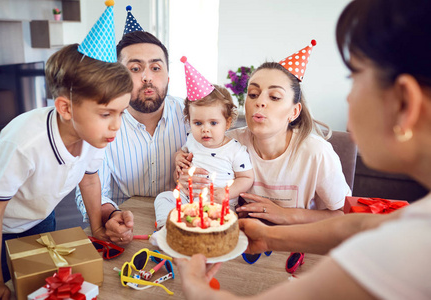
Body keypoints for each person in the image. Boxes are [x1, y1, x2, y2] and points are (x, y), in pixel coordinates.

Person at [174, 0, 431, 299]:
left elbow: (348, 219)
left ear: (404, 103)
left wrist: (193, 284)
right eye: (254, 94)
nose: (347, 99)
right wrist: (270, 236)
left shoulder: (415, 247)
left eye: (354, 76)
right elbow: (361, 224)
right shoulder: (416, 222)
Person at [0, 20, 133, 300]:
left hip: (41, 217)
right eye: (106, 114)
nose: (116, 125)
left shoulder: (95, 135)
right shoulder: (23, 144)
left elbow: (89, 180)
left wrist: (98, 228)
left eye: (121, 112)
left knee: (40, 287)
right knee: (6, 288)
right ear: (65, 107)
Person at [177, 44, 350, 227]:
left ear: (294, 111)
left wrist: (286, 215)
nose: (260, 102)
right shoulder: (229, 143)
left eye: (274, 97)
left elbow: (346, 215)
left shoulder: (317, 153)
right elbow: (200, 179)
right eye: (253, 94)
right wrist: (183, 173)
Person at [75, 30, 189, 244]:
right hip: (126, 231)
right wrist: (110, 215)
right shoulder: (100, 125)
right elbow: (90, 187)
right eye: (135, 69)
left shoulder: (193, 117)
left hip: (183, 228)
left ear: (168, 77)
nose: (147, 77)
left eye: (156, 68)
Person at [154, 57, 254, 228]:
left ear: (227, 122)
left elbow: (246, 178)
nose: (205, 129)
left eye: (213, 123)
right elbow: (181, 152)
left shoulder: (236, 150)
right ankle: (166, 227)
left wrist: (226, 193)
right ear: (189, 121)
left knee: (223, 223)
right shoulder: (192, 140)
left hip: (219, 203)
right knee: (163, 197)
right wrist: (178, 157)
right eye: (198, 123)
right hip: (187, 198)